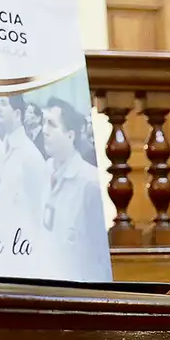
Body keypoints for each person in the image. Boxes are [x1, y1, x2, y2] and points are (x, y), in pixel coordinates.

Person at [40, 97, 109, 280]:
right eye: (43, 123)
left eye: (51, 125)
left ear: (70, 135)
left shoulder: (90, 183)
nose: (43, 131)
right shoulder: (44, 171)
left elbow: (101, 255)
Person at [0, 95, 49, 225]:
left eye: (3, 103)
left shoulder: (31, 156)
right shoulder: (2, 147)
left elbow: (38, 211)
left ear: (17, 113)